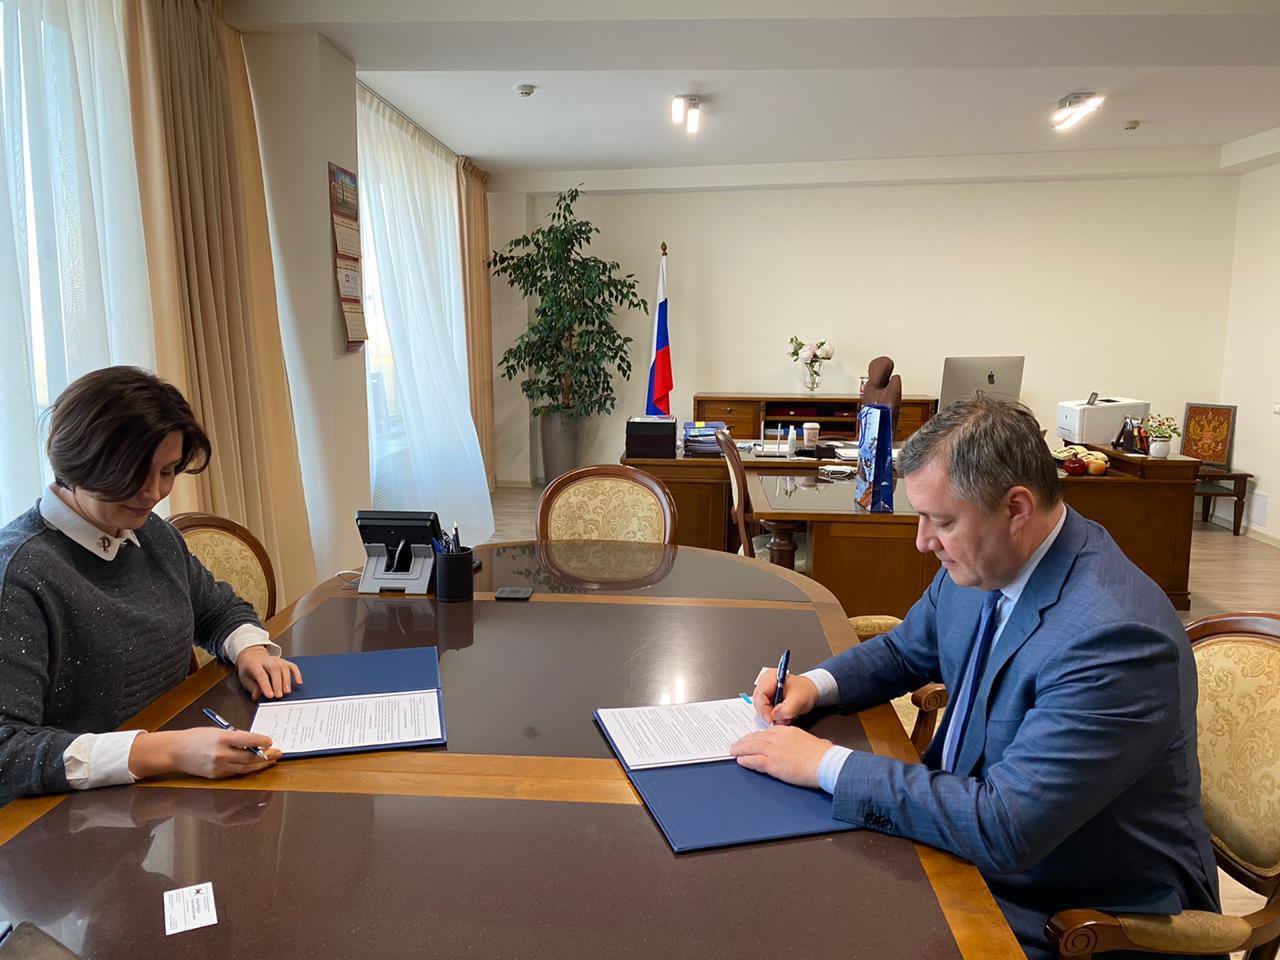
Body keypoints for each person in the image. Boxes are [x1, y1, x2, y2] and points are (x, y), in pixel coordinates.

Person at [731, 397, 1220, 959]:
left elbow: (1006, 827)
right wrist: (815, 685)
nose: (922, 541)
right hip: (967, 842)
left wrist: (824, 765)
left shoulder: (1115, 639)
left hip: (1070, 908)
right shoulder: (989, 558)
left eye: (941, 521)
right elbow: (905, 649)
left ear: (1016, 507)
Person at [0, 366, 301, 804]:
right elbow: (7, 751)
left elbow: (218, 610)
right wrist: (167, 751)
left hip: (161, 789)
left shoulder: (151, 534)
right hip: (63, 813)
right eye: (133, 472)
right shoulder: (19, 573)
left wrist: (251, 651)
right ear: (79, 460)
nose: (153, 492)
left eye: (167, 471)